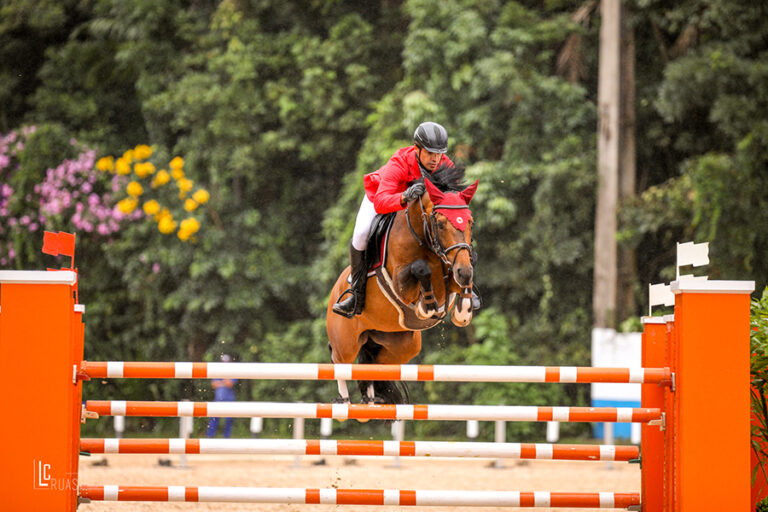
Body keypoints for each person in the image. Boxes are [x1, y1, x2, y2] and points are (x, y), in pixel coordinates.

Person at [333, 121, 460, 318]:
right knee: (361, 233)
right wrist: (405, 196)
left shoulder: (445, 165)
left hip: (416, 210)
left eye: (439, 153)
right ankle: (356, 294)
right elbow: (381, 202)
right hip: (382, 196)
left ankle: (467, 285)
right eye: (430, 153)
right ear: (416, 148)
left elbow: (453, 203)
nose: (436, 159)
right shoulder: (399, 162)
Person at [205, 354, 237, 438]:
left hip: (229, 399)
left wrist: (221, 382)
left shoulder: (232, 372)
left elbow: (230, 384)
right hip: (218, 399)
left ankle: (226, 437)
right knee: (214, 418)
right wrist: (224, 381)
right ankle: (210, 436)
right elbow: (214, 385)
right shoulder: (218, 372)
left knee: (229, 420)